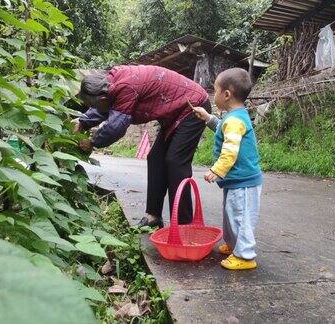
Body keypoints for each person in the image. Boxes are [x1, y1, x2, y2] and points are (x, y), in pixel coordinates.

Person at [74, 65, 211, 228]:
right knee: (155, 158)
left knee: (175, 161)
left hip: (193, 107)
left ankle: (183, 224)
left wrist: (93, 142)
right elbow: (105, 107)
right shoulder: (110, 85)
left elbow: (116, 126)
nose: (94, 108)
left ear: (103, 99)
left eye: (94, 105)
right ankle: (154, 216)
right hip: (175, 112)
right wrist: (82, 121)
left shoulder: (125, 88)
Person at [192, 68, 263, 270]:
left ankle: (245, 256)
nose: (213, 95)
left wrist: (217, 170)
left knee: (240, 217)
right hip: (237, 180)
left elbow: (230, 151)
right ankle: (234, 246)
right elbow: (222, 127)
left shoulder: (234, 120)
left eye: (215, 90)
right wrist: (207, 117)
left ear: (226, 94)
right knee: (231, 214)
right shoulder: (235, 116)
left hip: (243, 182)